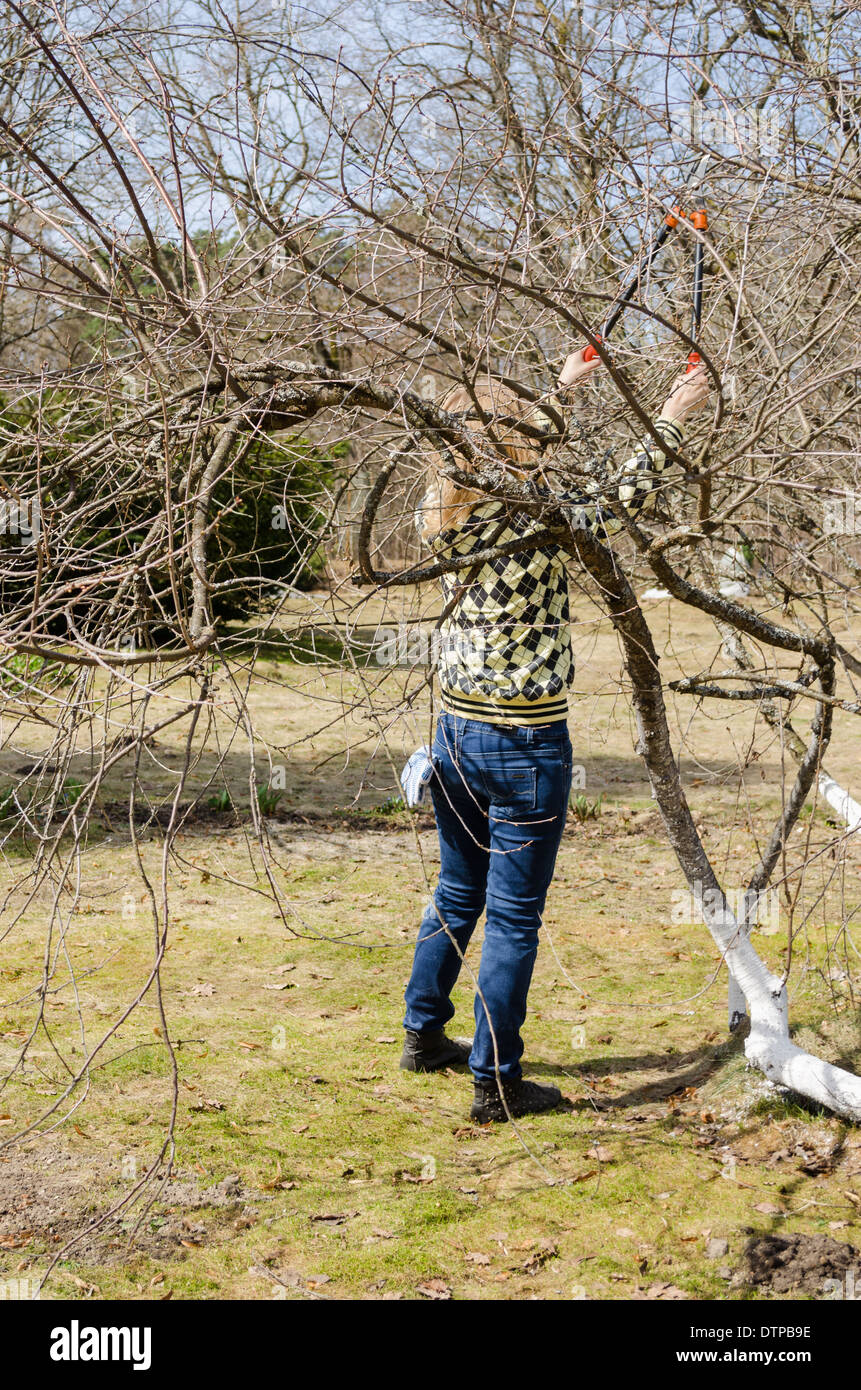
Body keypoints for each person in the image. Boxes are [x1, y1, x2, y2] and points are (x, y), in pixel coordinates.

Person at [400, 350, 710, 1122]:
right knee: (511, 917)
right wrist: (674, 415)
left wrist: (560, 389)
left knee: (456, 890)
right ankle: (496, 1081)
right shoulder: (534, 517)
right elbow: (617, 497)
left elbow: (503, 447)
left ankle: (421, 1033)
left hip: (455, 734)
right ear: (515, 448)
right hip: (523, 745)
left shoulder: (442, 509)